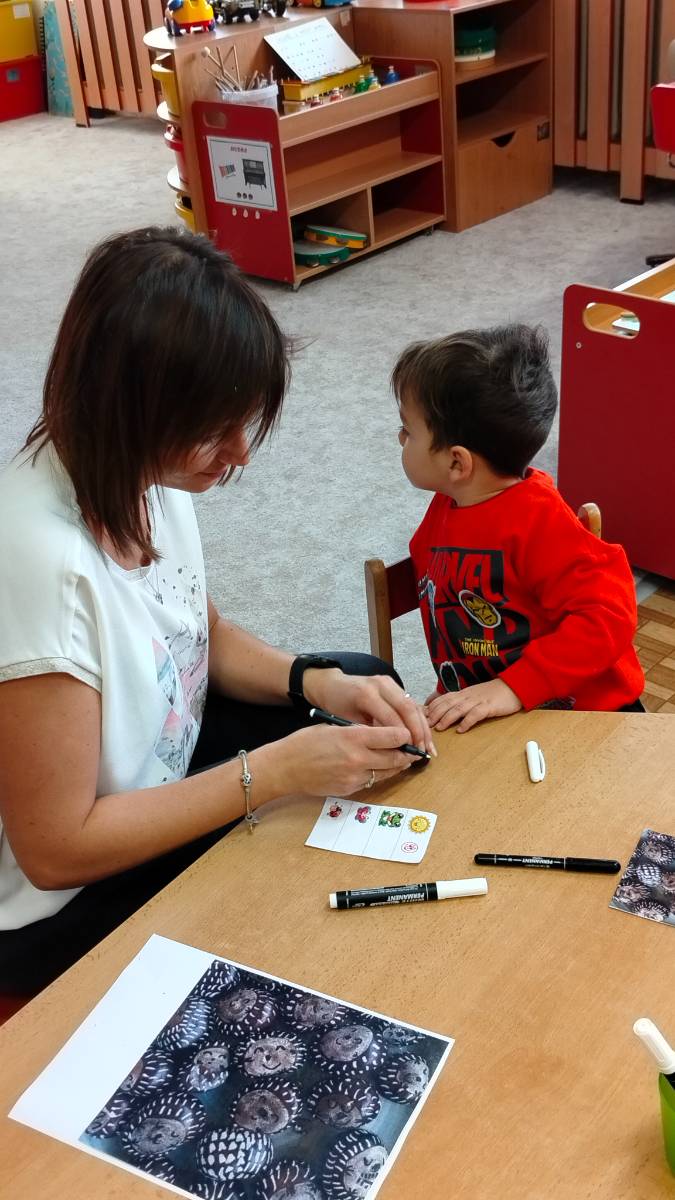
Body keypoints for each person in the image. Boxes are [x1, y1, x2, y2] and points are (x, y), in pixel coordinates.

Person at [0, 226, 434, 994]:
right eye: (213, 431)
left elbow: (199, 634)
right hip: (62, 902)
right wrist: (269, 773)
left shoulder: (139, 473)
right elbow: (56, 851)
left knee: (359, 680)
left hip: (156, 771)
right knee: (281, 880)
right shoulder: (42, 568)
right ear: (132, 410)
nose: (239, 453)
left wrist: (313, 680)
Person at [392, 324, 644, 734]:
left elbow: (610, 616)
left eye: (408, 430)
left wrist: (511, 687)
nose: (399, 437)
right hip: (507, 714)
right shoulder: (447, 506)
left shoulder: (539, 520)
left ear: (457, 462)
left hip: (589, 720)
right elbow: (456, 611)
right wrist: (455, 687)